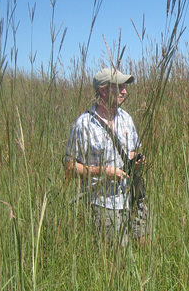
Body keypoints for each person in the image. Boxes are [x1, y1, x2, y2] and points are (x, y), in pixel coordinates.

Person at [64, 67, 149, 246]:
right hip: (104, 202)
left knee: (144, 245)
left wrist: (137, 161)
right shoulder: (84, 125)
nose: (125, 91)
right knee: (118, 257)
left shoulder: (126, 118)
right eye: (119, 86)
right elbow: (70, 169)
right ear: (103, 90)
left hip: (132, 195)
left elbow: (132, 150)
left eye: (125, 86)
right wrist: (102, 171)